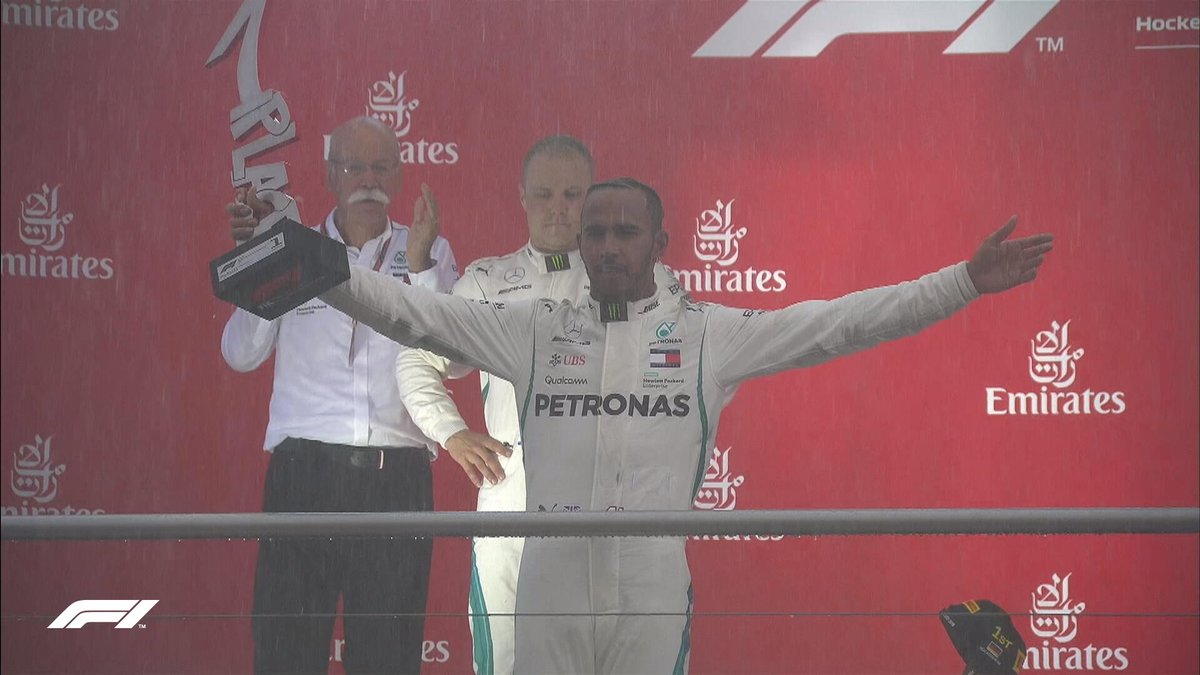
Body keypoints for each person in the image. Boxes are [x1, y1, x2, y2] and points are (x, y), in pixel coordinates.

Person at [317, 177, 1053, 674]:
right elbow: (408, 312)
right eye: (596, 233)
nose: (609, 246)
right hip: (552, 580)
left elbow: (840, 325)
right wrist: (294, 257)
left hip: (651, 581)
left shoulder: (707, 335)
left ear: (660, 242)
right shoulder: (532, 329)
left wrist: (961, 282)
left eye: (626, 232)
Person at [394, 136, 680, 675]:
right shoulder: (485, 283)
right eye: (544, 194)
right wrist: (452, 432)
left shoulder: (643, 281)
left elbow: (683, 372)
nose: (558, 208)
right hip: (512, 514)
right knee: (507, 665)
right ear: (522, 197)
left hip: (611, 518)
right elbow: (415, 359)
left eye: (573, 195)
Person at [220, 116, 458, 674]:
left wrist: (423, 271)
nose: (368, 180)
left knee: (388, 659)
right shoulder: (292, 248)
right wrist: (267, 261)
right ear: (331, 175)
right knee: (286, 654)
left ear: (399, 176)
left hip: (396, 479)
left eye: (380, 167)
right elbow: (240, 354)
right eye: (355, 167)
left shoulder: (428, 248)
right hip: (304, 475)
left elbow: (454, 362)